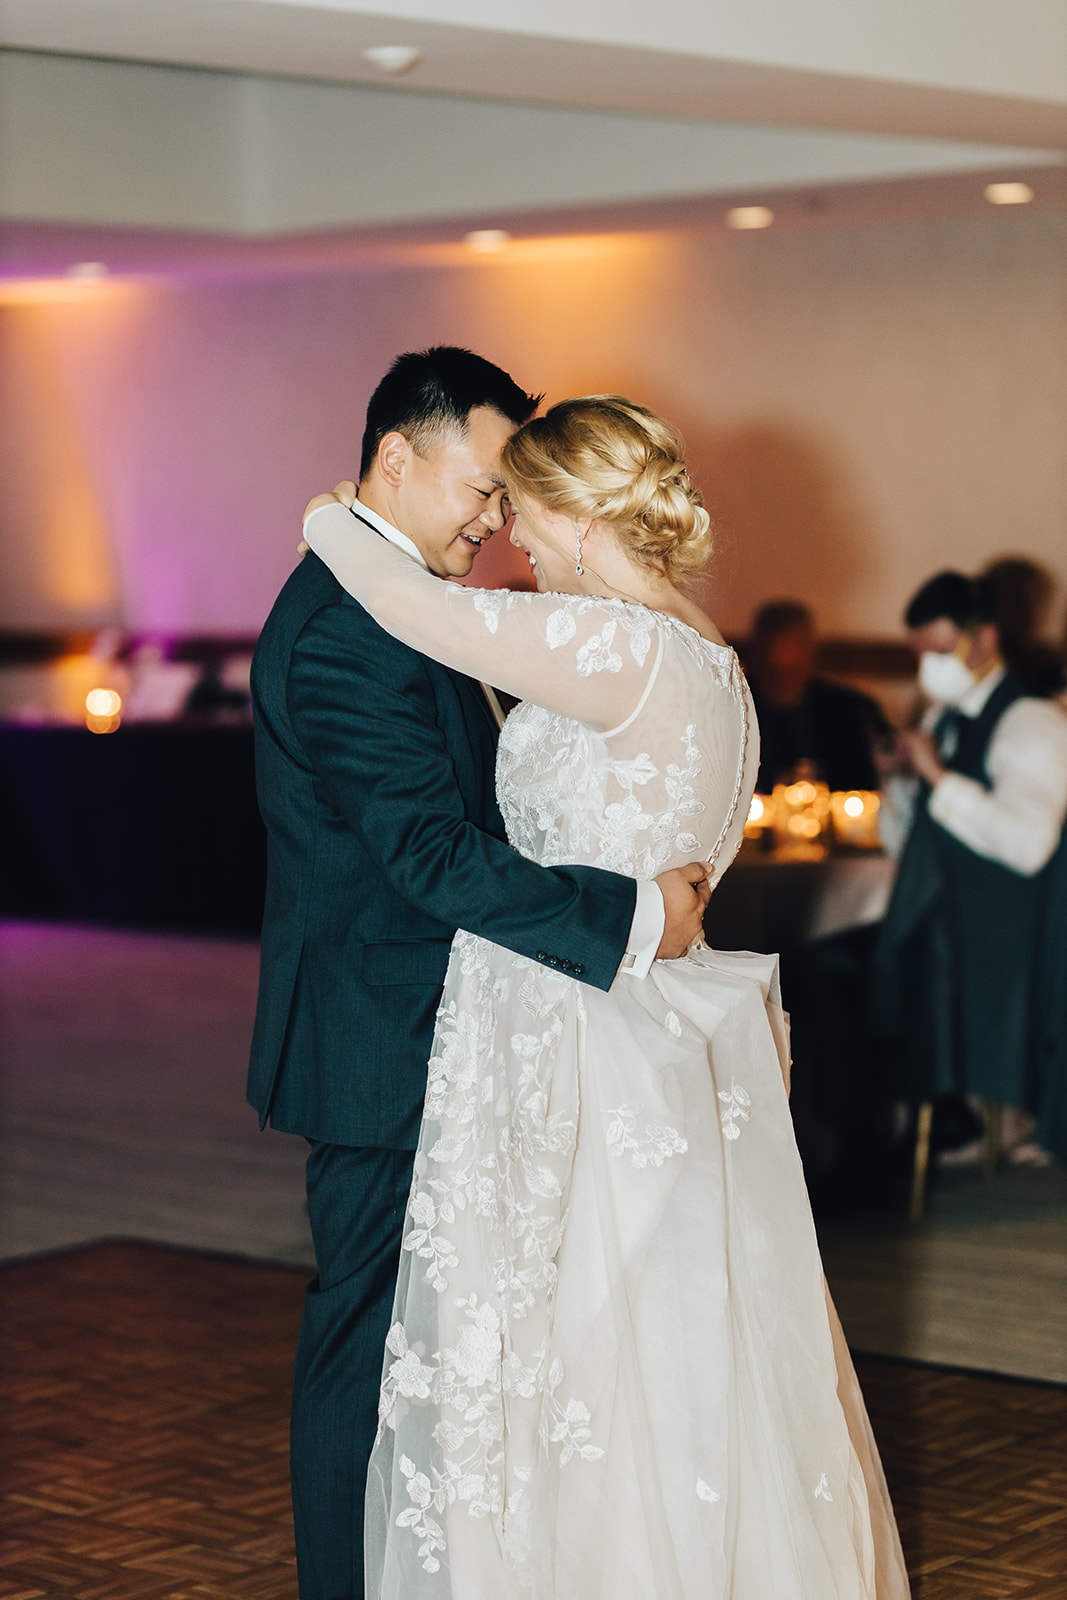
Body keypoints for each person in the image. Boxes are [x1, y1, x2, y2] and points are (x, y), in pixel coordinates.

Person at [303, 395, 910, 1599]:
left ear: (581, 516)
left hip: (572, 1037)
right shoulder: (707, 660)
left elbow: (418, 608)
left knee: (576, 1361)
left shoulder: (622, 651)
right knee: (638, 1370)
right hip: (631, 1031)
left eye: (521, 507)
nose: (511, 534)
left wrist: (331, 516)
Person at [247, 349, 711, 1600]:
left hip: (444, 1028)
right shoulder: (349, 626)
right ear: (395, 458)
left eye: (511, 499)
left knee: (431, 1349)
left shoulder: (402, 598)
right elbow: (426, 854)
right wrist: (628, 918)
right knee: (370, 1347)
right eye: (480, 487)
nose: (495, 520)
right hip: (380, 1040)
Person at [875, 570, 1067, 1168]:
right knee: (825, 970)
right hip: (949, 930)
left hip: (1005, 946)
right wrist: (898, 782)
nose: (927, 670)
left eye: (938, 652)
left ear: (982, 641)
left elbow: (1029, 846)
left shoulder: (1032, 722)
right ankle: (865, 1149)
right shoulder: (942, 722)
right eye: (919, 656)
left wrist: (938, 778)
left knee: (856, 975)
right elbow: (905, 846)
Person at [744, 600, 890, 792]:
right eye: (775, 668)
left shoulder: (852, 711)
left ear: (812, 653)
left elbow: (868, 785)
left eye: (794, 663)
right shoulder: (728, 710)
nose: (784, 666)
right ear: (755, 654)